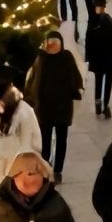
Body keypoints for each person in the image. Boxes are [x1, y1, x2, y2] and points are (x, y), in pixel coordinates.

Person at [0, 75, 43, 204]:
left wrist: (26, 163)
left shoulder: (24, 111)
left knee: (17, 206)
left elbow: (31, 141)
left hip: (19, 169)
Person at [26, 30, 83, 182]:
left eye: (55, 43)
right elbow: (33, 80)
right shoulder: (41, 59)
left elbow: (75, 77)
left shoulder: (67, 57)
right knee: (44, 139)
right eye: (49, 43)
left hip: (63, 106)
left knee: (61, 139)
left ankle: (58, 170)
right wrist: (31, 98)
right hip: (45, 107)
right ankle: (45, 166)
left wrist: (76, 90)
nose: (52, 46)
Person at [84, 0, 112, 117]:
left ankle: (98, 103)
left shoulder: (92, 23)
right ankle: (105, 105)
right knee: (108, 82)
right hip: (109, 58)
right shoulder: (109, 22)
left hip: (97, 58)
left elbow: (88, 42)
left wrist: (88, 57)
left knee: (99, 81)